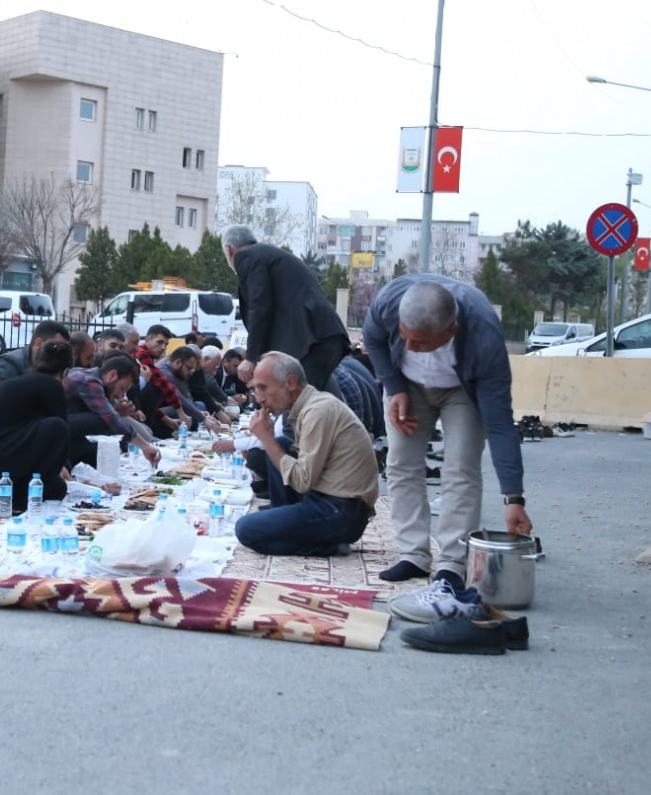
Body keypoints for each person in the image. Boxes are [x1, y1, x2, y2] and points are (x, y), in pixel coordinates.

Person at [363, 275, 532, 591]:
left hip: (462, 391)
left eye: (422, 343)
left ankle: (452, 563)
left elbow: (499, 424)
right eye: (405, 337)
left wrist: (514, 497)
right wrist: (395, 385)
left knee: (461, 468)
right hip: (408, 387)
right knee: (401, 463)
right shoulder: (389, 301)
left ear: (451, 329)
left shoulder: (484, 338)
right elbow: (373, 339)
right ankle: (413, 555)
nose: (410, 347)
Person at [233, 352, 379, 556]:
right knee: (282, 444)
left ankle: (328, 547)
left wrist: (266, 438)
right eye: (255, 389)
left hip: (341, 512)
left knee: (246, 530)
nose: (259, 398)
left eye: (263, 387)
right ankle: (286, 518)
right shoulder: (309, 406)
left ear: (290, 383)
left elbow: (303, 481)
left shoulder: (318, 412)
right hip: (330, 500)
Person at [222, 224, 349, 392]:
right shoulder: (268, 255)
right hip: (322, 337)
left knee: (300, 401)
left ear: (229, 249)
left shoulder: (246, 256)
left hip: (311, 341)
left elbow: (260, 306)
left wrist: (251, 358)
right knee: (315, 399)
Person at [0, 341, 73, 512]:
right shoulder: (51, 386)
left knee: (56, 488)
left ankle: (23, 490)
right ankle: (22, 496)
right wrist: (64, 468)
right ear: (66, 372)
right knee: (57, 430)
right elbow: (62, 437)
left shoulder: (21, 383)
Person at [63, 354, 160, 467]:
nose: (119, 396)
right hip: (58, 428)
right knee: (104, 422)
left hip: (69, 427)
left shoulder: (98, 380)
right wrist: (145, 446)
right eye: (122, 388)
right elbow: (111, 418)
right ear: (112, 375)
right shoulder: (89, 381)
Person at [136, 345, 218, 439]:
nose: (192, 372)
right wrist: (203, 419)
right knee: (185, 413)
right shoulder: (164, 372)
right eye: (189, 368)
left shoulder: (178, 374)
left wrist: (200, 413)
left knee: (196, 409)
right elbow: (179, 399)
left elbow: (186, 398)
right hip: (144, 415)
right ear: (178, 362)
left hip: (155, 413)